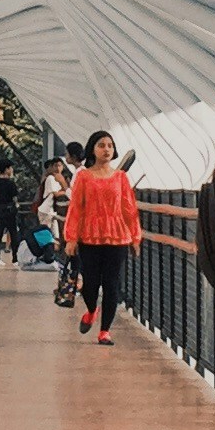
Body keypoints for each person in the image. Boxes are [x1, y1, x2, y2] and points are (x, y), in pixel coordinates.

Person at [63, 129, 141, 345]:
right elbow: (76, 208)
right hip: (89, 237)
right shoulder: (84, 177)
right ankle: (91, 311)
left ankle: (105, 331)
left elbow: (129, 209)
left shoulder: (121, 177)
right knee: (89, 284)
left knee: (111, 284)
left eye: (110, 145)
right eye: (101, 145)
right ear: (92, 150)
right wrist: (71, 237)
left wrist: (135, 237)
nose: (106, 149)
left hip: (117, 237)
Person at [49, 144, 86, 306]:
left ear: (73, 156)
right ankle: (74, 283)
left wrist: (63, 183)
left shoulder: (81, 172)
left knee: (76, 255)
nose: (65, 157)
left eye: (67, 154)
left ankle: (76, 284)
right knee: (75, 256)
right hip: (78, 220)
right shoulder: (80, 171)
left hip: (80, 221)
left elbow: (75, 196)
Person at [0, 161, 23, 265]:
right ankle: (15, 259)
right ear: (6, 169)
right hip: (10, 212)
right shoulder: (11, 184)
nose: (12, 170)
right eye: (10, 168)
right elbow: (15, 198)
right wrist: (15, 206)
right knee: (14, 235)